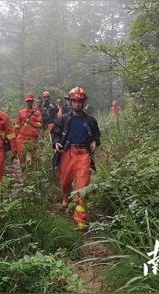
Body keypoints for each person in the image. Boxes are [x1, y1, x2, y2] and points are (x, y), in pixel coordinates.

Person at [51, 87, 101, 230]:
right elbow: (55, 134)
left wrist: (94, 142)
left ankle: (80, 219)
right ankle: (65, 196)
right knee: (65, 182)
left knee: (82, 188)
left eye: (80, 101)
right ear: (70, 102)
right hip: (67, 153)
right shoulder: (63, 119)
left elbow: (96, 135)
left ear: (84, 102)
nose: (78, 104)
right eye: (75, 101)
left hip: (84, 155)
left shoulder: (90, 120)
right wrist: (56, 143)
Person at [14, 94, 42, 170]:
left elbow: (39, 125)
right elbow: (17, 126)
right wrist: (14, 139)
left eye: (30, 101)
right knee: (21, 156)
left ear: (33, 102)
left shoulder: (37, 113)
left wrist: (30, 122)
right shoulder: (21, 112)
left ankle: (31, 174)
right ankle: (23, 172)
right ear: (26, 102)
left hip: (32, 137)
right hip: (21, 137)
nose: (29, 103)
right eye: (28, 101)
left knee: (32, 156)